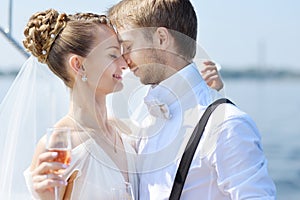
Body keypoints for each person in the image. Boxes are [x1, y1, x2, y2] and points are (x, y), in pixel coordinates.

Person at [108, 0, 276, 199]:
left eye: (127, 46)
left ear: (161, 38)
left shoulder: (226, 125)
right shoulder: (143, 117)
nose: (123, 59)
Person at [1, 9, 139, 199]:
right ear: (78, 65)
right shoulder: (60, 145)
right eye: (113, 55)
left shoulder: (125, 131)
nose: (125, 63)